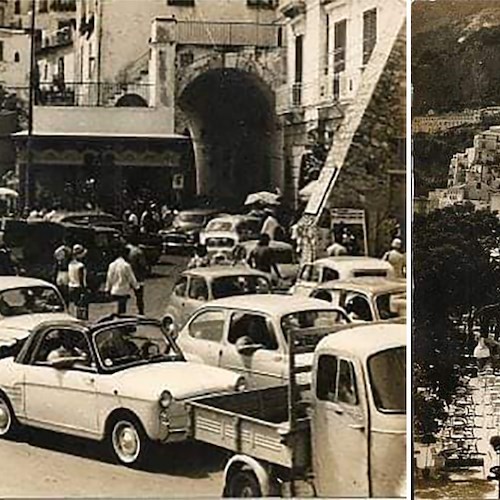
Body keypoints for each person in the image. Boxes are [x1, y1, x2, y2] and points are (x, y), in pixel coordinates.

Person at [105, 246, 139, 315]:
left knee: (116, 308)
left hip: (114, 291)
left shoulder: (111, 265)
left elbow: (109, 278)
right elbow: (131, 278)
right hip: (123, 291)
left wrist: (107, 289)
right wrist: (136, 287)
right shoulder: (126, 266)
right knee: (122, 310)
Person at [126, 238, 148, 315]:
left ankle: (122, 311)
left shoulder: (126, 251)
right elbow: (143, 264)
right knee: (139, 296)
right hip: (138, 276)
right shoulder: (138, 252)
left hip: (127, 275)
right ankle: (140, 311)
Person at [68, 244, 88, 319]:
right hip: (78, 286)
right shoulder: (80, 266)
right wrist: (84, 289)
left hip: (71, 286)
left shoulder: (70, 264)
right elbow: (81, 279)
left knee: (75, 304)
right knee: (82, 305)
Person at [53, 239, 72, 305]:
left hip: (60, 272)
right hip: (65, 272)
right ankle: (65, 303)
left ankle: (62, 302)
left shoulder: (58, 251)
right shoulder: (68, 250)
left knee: (61, 289)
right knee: (65, 290)